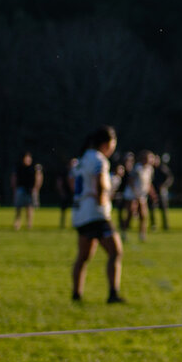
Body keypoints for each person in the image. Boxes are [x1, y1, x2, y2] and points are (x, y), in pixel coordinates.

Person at [71, 127, 125, 303]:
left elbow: (72, 181)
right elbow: (100, 183)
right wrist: (102, 202)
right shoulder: (99, 160)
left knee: (83, 256)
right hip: (96, 213)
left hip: (80, 213)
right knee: (116, 252)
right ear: (107, 143)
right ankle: (113, 293)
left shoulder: (82, 159)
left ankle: (76, 294)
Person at [11, 153, 40, 231]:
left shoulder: (34, 167)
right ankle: (17, 224)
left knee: (30, 207)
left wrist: (36, 188)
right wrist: (14, 189)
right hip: (21, 188)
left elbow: (38, 178)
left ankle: (29, 225)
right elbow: (14, 178)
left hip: (30, 189)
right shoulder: (19, 167)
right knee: (18, 207)